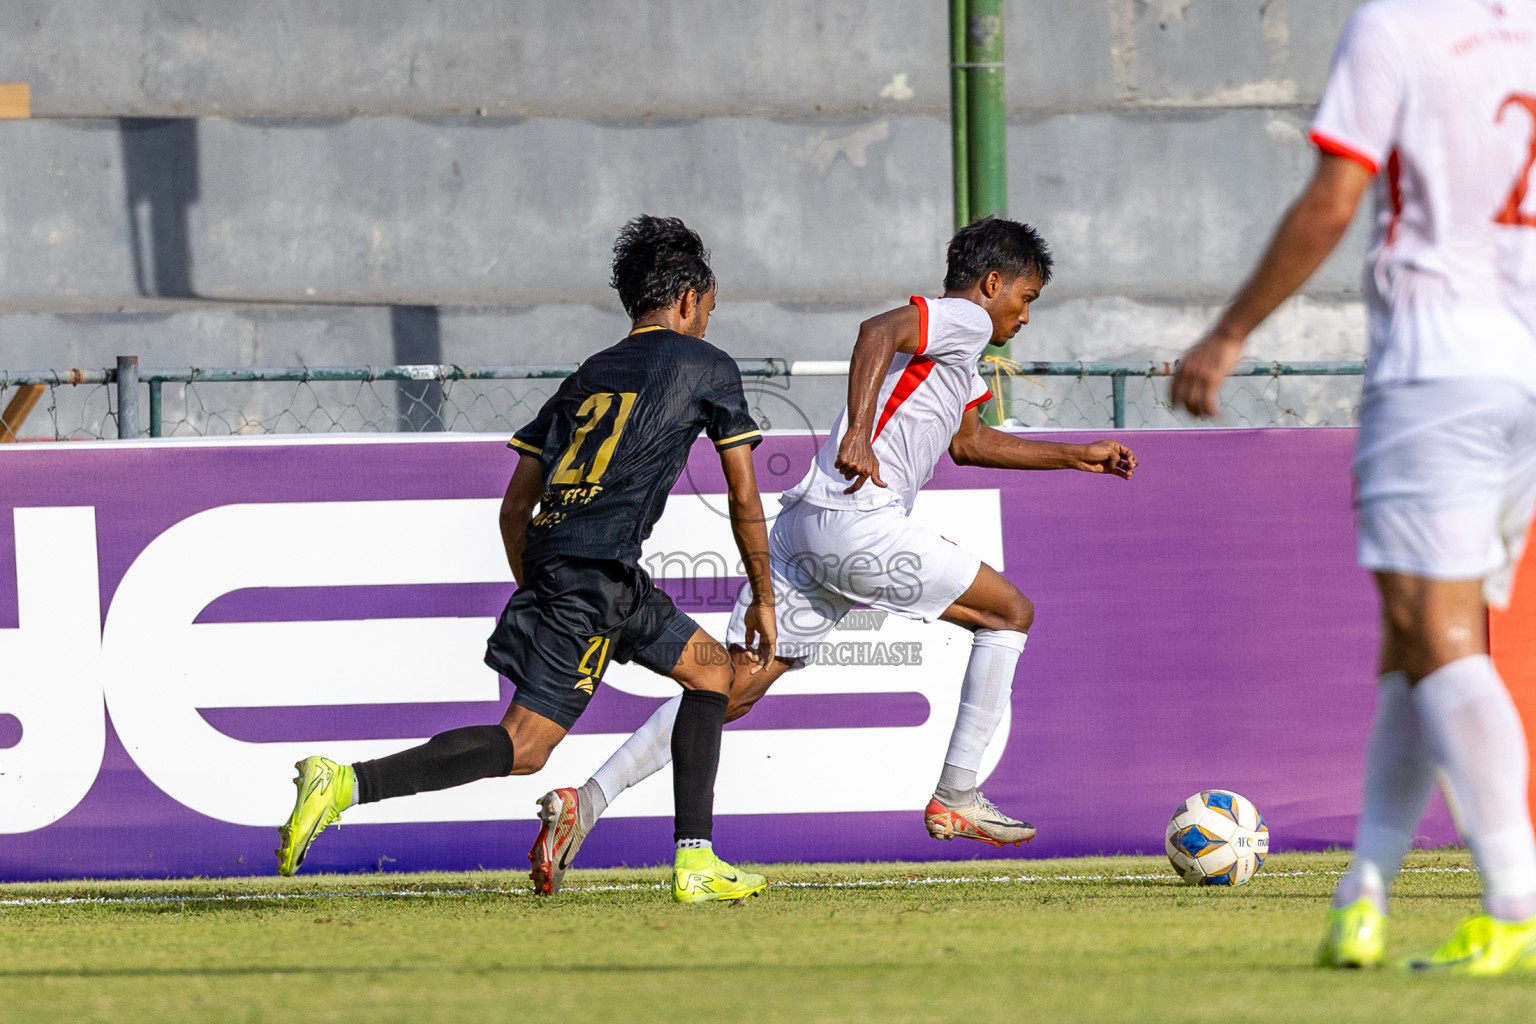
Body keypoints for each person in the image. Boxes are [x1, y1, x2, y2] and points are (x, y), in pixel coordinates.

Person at [527, 216, 1138, 895]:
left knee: (730, 685)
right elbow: (876, 331)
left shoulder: (957, 352)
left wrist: (1073, 454)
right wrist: (859, 439)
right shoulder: (963, 319)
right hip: (857, 518)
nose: (1025, 316)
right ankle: (958, 794)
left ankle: (584, 803)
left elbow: (970, 442)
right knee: (1009, 614)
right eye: (1026, 298)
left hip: (809, 526)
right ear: (993, 284)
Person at [1171, 0, 1536, 973]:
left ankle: (1515, 902)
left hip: (1437, 365)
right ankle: (1363, 891)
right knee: (1411, 639)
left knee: (1440, 634)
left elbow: (1336, 197)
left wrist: (1230, 330)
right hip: (1520, 373)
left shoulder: (1400, 22)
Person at [276, 215, 778, 903]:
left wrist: (542, 582)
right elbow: (744, 497)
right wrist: (766, 599)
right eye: (708, 311)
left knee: (712, 673)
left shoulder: (587, 376)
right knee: (525, 747)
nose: (706, 323)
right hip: (594, 578)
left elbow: (515, 508)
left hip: (587, 570)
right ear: (689, 301)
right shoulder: (706, 365)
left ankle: (696, 860)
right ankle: (347, 783)